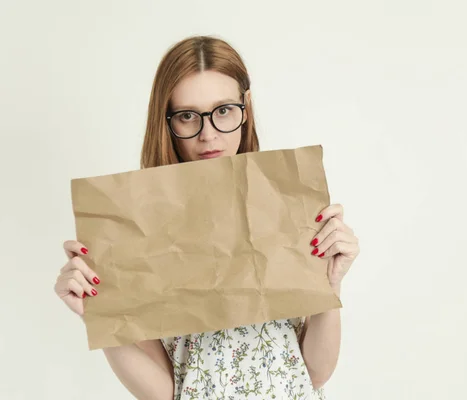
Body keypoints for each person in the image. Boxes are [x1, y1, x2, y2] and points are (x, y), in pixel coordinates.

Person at [54, 35, 360, 400]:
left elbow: (315, 371)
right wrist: (98, 313)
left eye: (223, 110)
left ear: (245, 109)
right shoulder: (137, 227)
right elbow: (164, 393)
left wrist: (331, 281)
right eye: (187, 116)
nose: (209, 134)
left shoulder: (285, 206)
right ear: (166, 122)